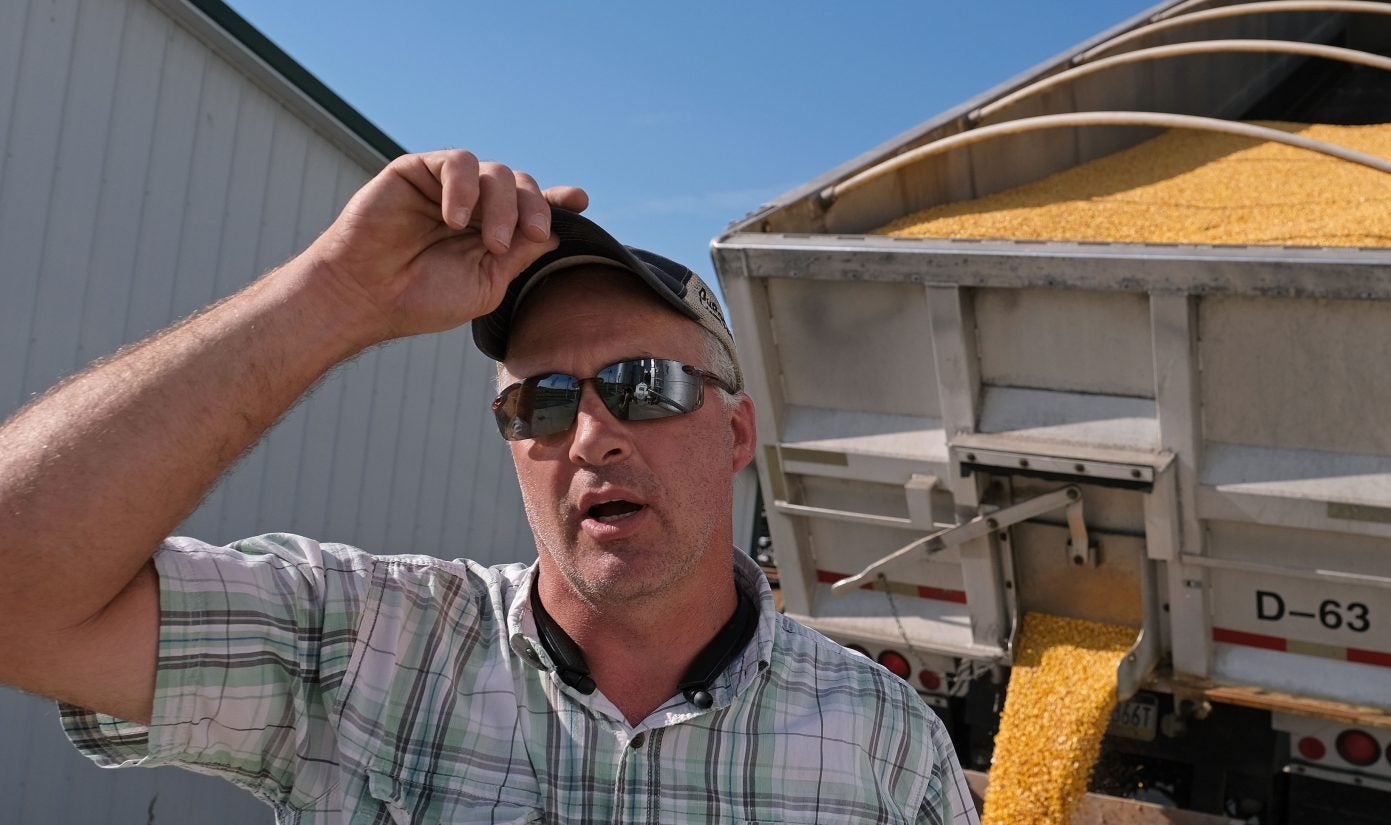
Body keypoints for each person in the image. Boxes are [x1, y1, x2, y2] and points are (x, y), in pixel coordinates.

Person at [0, 150, 978, 824]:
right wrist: (331, 300)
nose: (592, 432)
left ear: (732, 432)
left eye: (646, 385)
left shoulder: (883, 743)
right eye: (544, 402)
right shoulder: (367, 646)